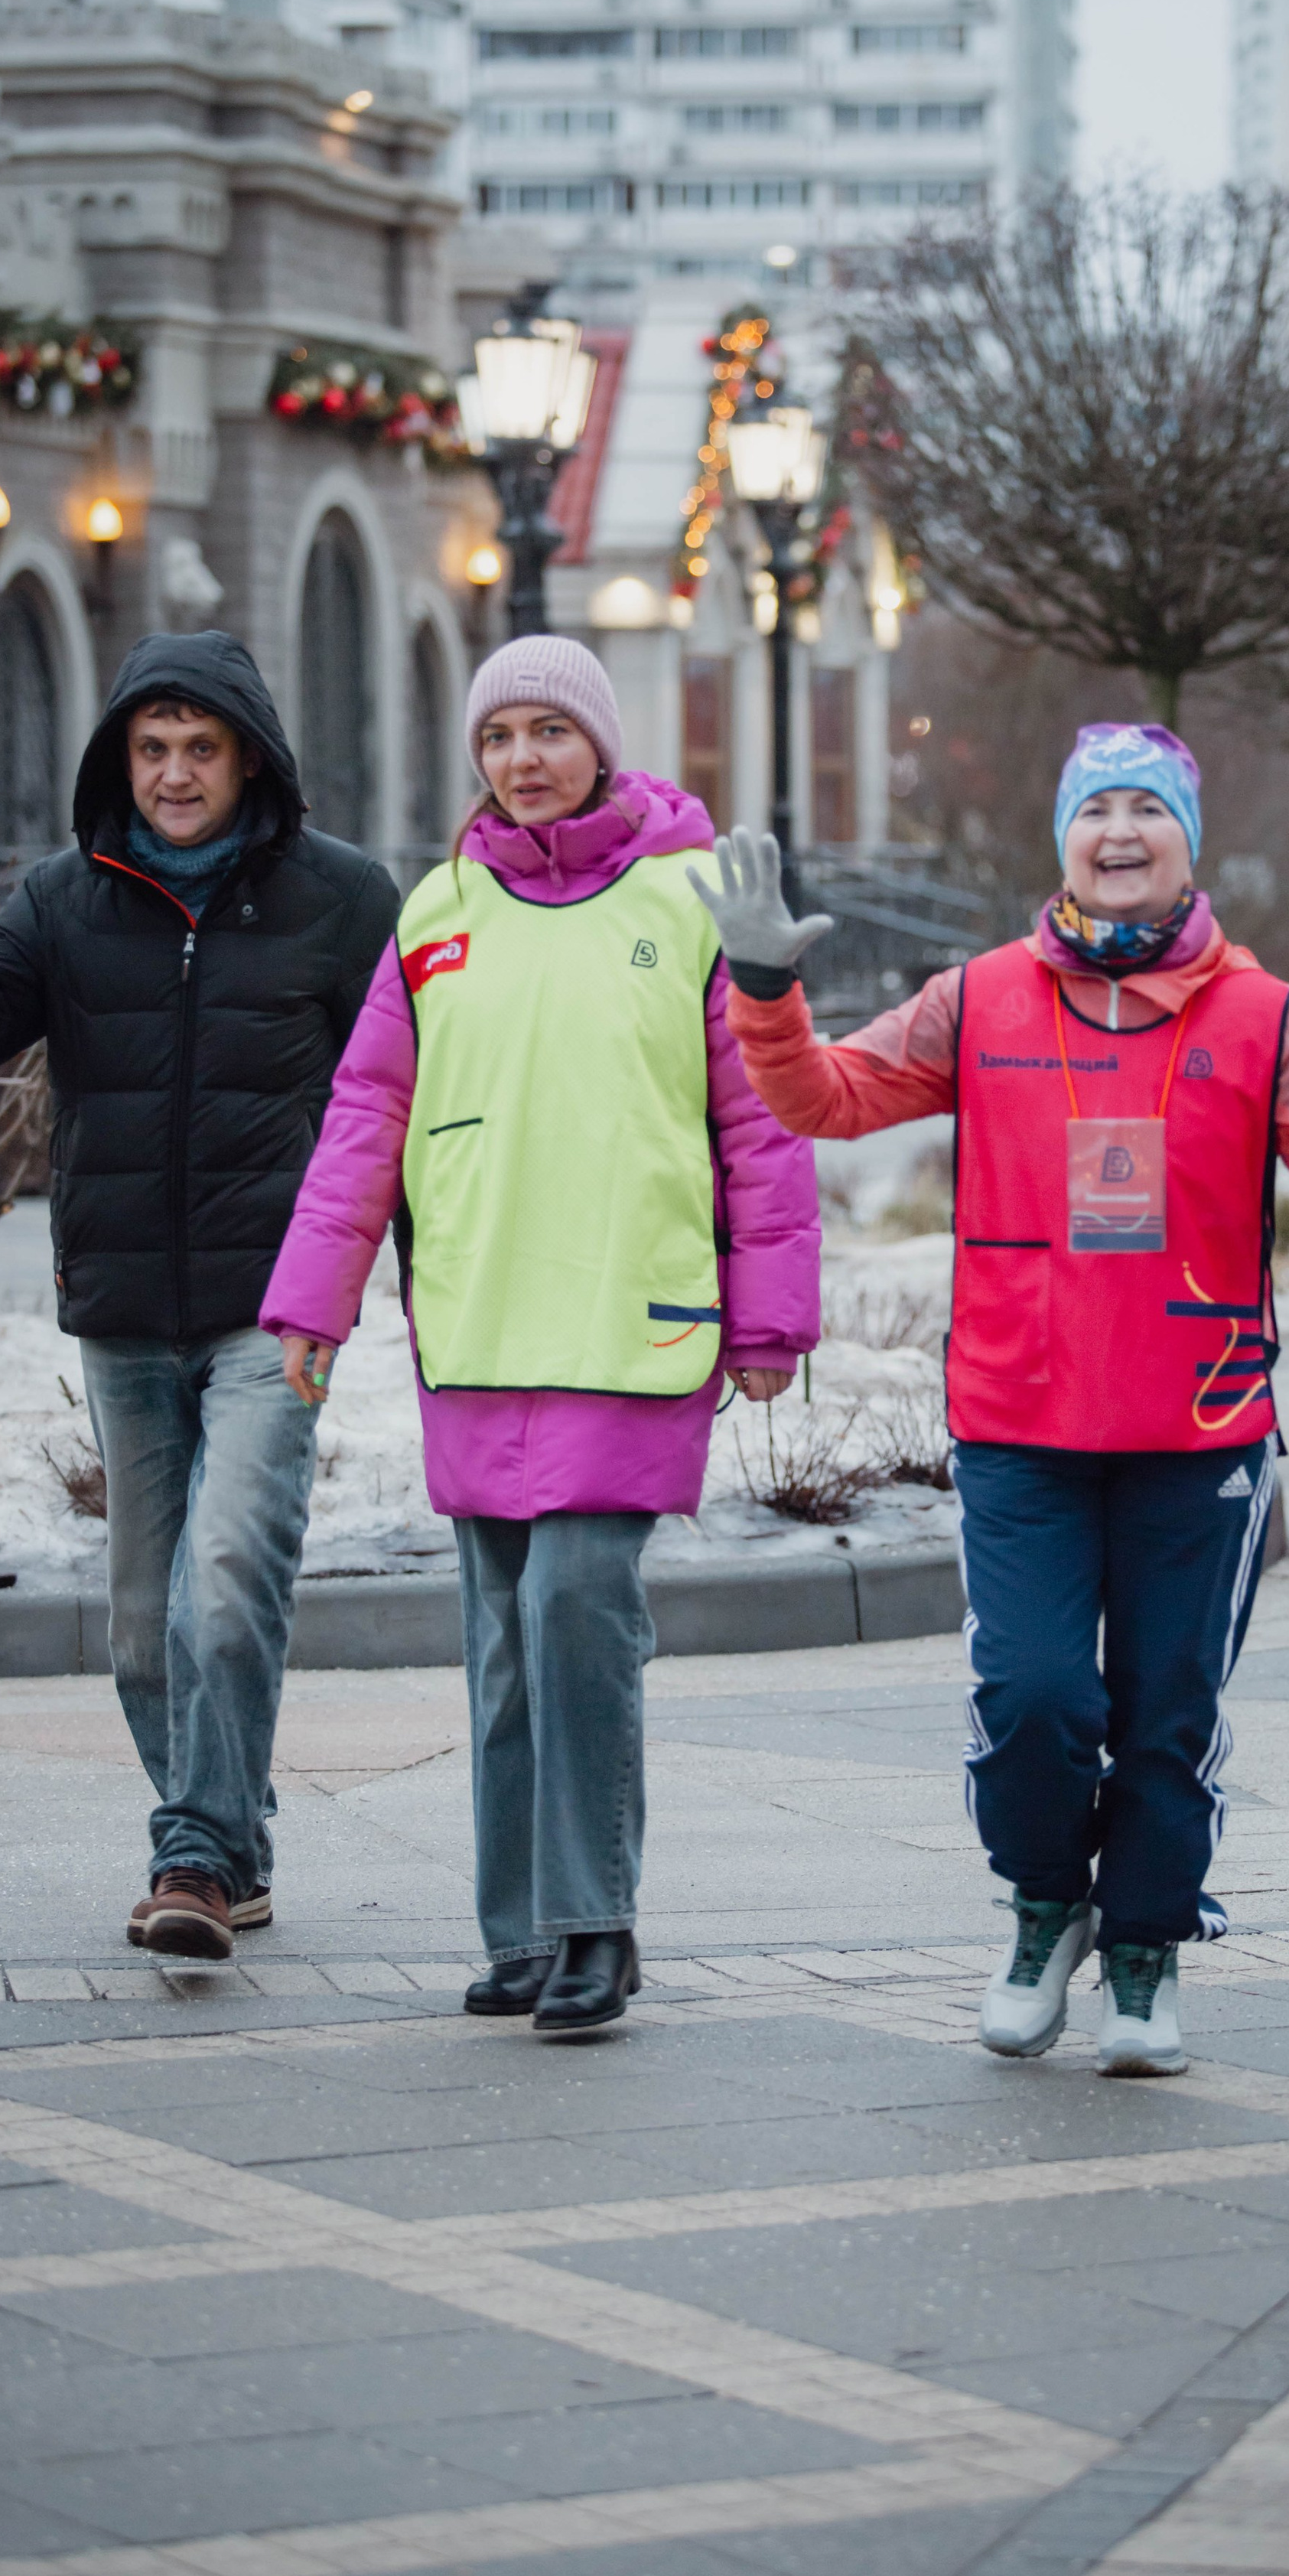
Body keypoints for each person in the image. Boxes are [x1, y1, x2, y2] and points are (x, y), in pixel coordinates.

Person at [691, 722, 1289, 2079]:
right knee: (1029, 1701)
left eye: (1149, 809)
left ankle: (1144, 1949)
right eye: (1098, 811)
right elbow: (822, 1101)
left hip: (1198, 1432)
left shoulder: (1263, 1019)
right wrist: (764, 984)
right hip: (1022, 1427)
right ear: (1065, 838)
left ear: (1187, 842)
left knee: (1167, 1714)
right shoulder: (980, 999)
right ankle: (1044, 1906)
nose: (1121, 832)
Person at [261, 635, 819, 2036]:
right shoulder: (439, 910)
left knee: (578, 1609)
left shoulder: (692, 901)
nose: (522, 758)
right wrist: (312, 1299)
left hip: (631, 1319)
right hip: (482, 1314)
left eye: (548, 731)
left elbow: (758, 1121)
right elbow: (366, 1119)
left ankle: (593, 1922)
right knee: (503, 1633)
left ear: (602, 744)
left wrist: (770, 1311)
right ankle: (517, 1933)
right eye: (498, 735)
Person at [0, 633, 399, 1962]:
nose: (175, 775)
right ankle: (235, 1840)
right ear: (123, 757)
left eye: (201, 749)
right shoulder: (65, 900)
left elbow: (392, 1106)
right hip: (119, 1308)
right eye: (152, 749)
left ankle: (195, 1862)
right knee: (137, 1630)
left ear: (251, 759)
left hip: (275, 1310)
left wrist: (417, 1274)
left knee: (226, 1580)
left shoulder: (343, 901)